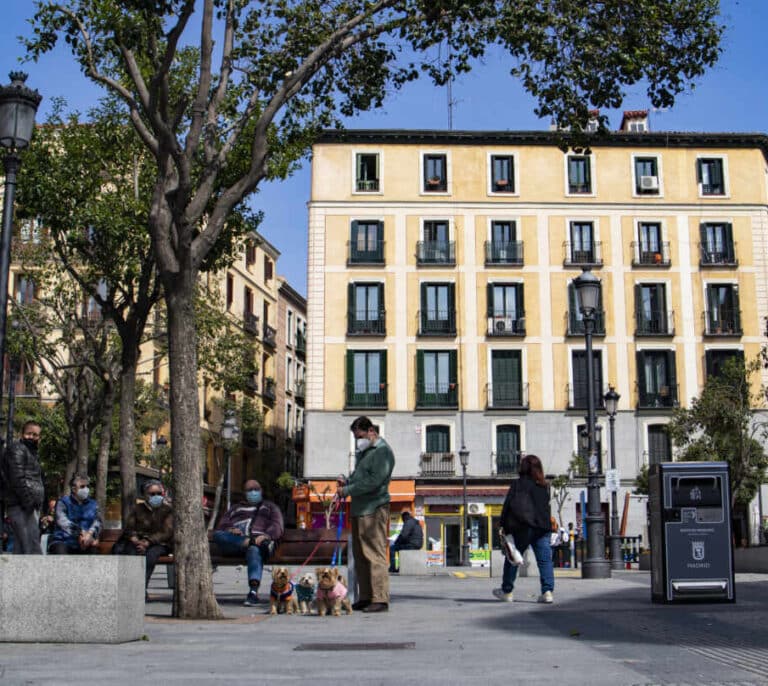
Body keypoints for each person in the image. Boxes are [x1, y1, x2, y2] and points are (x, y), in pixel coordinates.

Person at [337, 416, 395, 613]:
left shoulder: (382, 452)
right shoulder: (365, 453)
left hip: (374, 507)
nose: (357, 440)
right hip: (359, 508)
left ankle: (380, 598)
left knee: (374, 554)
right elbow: (359, 478)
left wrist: (347, 491)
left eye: (359, 436)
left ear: (371, 431)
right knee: (360, 555)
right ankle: (366, 596)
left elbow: (375, 481)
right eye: (355, 437)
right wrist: (347, 482)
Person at [493, 454, 555, 604]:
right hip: (542, 528)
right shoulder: (544, 485)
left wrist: (502, 524)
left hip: (523, 527)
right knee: (545, 561)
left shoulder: (518, 484)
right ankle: (547, 592)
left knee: (513, 558)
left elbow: (508, 505)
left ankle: (507, 591)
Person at [212, 479, 284, 606]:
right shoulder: (235, 508)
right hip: (236, 544)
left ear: (261, 491)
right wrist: (230, 529)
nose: (253, 492)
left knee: (254, 549)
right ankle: (248, 542)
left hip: (259, 544)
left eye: (256, 489)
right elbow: (222, 525)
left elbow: (277, 526)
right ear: (244, 493)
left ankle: (253, 592)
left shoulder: (270, 507)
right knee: (218, 535)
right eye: (250, 490)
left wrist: (266, 535)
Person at [111, 480, 173, 590]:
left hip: (159, 544)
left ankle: (140, 589)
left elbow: (166, 532)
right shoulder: (137, 508)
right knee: (130, 552)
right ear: (145, 495)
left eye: (159, 494)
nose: (156, 496)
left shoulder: (167, 510)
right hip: (137, 542)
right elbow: (129, 528)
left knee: (151, 556)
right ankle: (129, 589)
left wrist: (148, 542)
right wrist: (136, 540)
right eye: (152, 494)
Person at [0, 421, 44, 554]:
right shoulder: (18, 449)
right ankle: (36, 574)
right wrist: (28, 502)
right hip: (21, 505)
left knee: (22, 547)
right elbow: (17, 478)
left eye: (35, 435)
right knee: (31, 546)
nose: (32, 437)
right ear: (21, 434)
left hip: (28, 505)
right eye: (29, 433)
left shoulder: (31, 453)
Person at [48, 474, 102, 555]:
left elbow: (98, 522)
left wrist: (90, 535)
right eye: (82, 486)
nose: (86, 489)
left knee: (94, 554)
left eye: (87, 486)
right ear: (73, 489)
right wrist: (81, 533)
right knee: (60, 553)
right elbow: (62, 522)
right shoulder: (63, 502)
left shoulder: (93, 504)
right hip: (64, 541)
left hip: (87, 542)